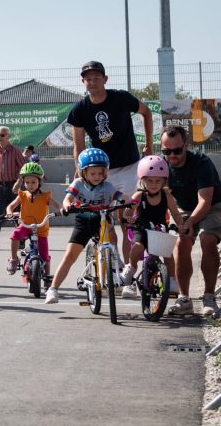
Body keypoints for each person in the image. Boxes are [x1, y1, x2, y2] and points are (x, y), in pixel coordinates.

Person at [67, 60, 153, 298]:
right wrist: (80, 173)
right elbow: (79, 146)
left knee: (127, 220)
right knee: (106, 223)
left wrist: (149, 143)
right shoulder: (80, 109)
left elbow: (146, 112)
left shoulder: (121, 98)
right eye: (88, 78)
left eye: (96, 77)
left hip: (129, 167)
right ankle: (112, 270)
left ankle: (128, 276)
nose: (92, 82)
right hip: (101, 173)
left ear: (105, 79)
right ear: (83, 82)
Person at [45, 148, 122, 304]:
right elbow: (68, 199)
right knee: (70, 256)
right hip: (83, 222)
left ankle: (116, 261)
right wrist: (67, 206)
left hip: (102, 220)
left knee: (112, 235)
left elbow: (120, 196)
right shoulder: (78, 183)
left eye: (101, 173)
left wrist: (131, 201)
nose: (97, 177)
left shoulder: (107, 186)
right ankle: (53, 289)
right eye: (93, 173)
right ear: (84, 172)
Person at [160, 126, 221, 316]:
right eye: (166, 151)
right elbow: (150, 190)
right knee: (181, 243)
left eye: (177, 150)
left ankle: (209, 297)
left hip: (210, 206)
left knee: (207, 239)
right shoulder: (162, 165)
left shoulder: (201, 163)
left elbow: (205, 200)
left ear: (186, 145)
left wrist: (190, 222)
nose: (172, 155)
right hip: (182, 208)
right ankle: (184, 298)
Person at [119, 156, 183, 293]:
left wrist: (181, 225)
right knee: (137, 248)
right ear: (142, 180)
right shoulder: (138, 196)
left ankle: (171, 279)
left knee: (168, 255)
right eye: (149, 180)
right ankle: (131, 267)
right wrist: (128, 218)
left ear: (163, 181)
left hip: (159, 229)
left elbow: (176, 214)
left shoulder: (166, 196)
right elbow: (127, 212)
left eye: (157, 181)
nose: (153, 184)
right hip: (141, 229)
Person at [4, 162, 62, 280]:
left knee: (45, 256)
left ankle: (46, 278)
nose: (30, 185)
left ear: (39, 183)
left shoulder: (45, 196)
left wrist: (60, 210)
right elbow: (10, 206)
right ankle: (14, 259)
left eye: (34, 182)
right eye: (27, 182)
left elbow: (57, 205)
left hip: (41, 228)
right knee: (15, 234)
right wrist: (9, 213)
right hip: (25, 225)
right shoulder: (23, 195)